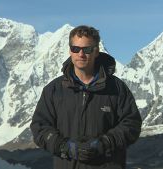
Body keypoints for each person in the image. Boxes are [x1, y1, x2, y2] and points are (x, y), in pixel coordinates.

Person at [30, 25, 142, 169]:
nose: (81, 54)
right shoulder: (54, 90)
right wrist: (65, 147)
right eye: (76, 49)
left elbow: (132, 124)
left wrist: (105, 143)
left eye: (87, 49)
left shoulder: (116, 88)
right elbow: (40, 127)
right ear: (70, 50)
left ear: (96, 51)